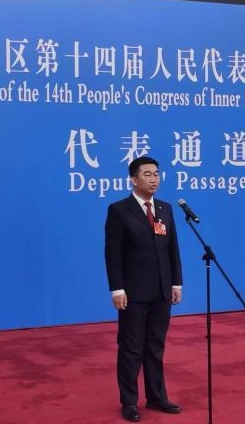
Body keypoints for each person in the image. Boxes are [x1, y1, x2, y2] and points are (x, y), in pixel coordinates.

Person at [104, 155, 183, 422]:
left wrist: (175, 283)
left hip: (161, 291)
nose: (154, 179)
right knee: (131, 348)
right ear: (133, 179)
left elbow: (172, 249)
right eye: (147, 174)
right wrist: (117, 289)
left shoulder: (165, 209)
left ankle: (157, 397)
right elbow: (112, 254)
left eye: (156, 174)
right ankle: (129, 402)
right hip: (133, 293)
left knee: (155, 347)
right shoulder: (119, 210)